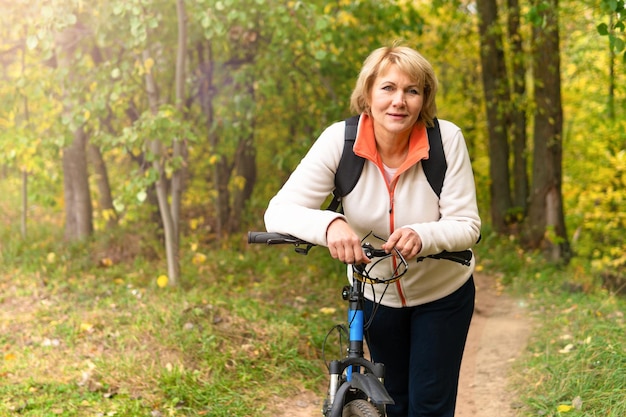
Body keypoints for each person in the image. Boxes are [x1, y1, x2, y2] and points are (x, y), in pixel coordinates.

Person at [264, 44, 481, 417]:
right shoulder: (340, 141)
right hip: (376, 296)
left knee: (430, 405)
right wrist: (330, 225)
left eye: (412, 91)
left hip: (442, 293)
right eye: (388, 88)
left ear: (424, 99)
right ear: (368, 94)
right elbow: (278, 211)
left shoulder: (445, 140)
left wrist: (422, 235)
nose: (399, 101)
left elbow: (467, 224)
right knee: (391, 400)